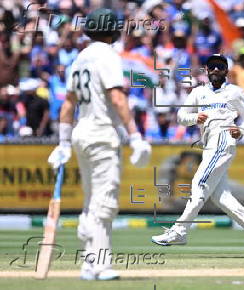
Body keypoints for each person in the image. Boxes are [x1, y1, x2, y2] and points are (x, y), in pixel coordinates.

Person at [47, 9, 152, 280]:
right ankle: (101, 265)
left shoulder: (81, 57)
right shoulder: (107, 55)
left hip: (83, 132)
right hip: (101, 134)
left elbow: (68, 102)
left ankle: (88, 262)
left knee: (92, 201)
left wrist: (63, 142)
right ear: (112, 31)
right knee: (104, 201)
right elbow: (117, 97)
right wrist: (135, 136)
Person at [151, 54, 244, 258]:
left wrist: (241, 130)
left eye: (220, 67)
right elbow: (181, 117)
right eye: (212, 67)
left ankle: (179, 231)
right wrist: (194, 117)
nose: (216, 70)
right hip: (208, 144)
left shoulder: (234, 92)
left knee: (198, 184)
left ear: (226, 71)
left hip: (223, 138)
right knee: (221, 197)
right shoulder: (199, 92)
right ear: (206, 70)